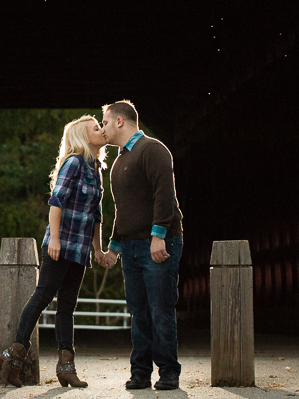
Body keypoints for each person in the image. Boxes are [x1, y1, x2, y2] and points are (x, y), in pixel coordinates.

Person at [0, 115, 109, 388]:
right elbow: (56, 203)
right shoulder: (73, 163)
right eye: (96, 128)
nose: (102, 130)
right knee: (43, 297)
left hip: (80, 249)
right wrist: (55, 240)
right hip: (61, 245)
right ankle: (11, 356)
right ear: (83, 137)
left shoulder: (96, 168)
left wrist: (98, 249)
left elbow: (96, 215)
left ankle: (66, 367)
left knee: (67, 306)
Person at [98, 100, 183, 391]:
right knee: (138, 311)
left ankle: (169, 371)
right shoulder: (119, 162)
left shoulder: (153, 149)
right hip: (132, 247)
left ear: (120, 121)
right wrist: (113, 248)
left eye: (105, 122)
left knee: (160, 309)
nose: (102, 128)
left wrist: (158, 236)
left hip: (158, 241)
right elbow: (123, 211)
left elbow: (164, 195)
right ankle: (140, 372)